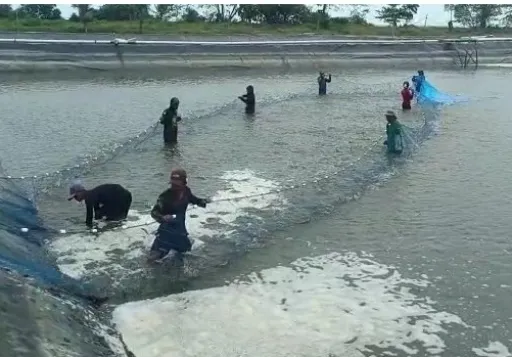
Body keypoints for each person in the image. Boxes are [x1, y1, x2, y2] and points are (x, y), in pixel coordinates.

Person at [149, 168, 209, 261]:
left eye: (177, 183)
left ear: (184, 182)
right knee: (153, 259)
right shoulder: (165, 196)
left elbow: (194, 200)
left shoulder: (186, 191)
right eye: (173, 183)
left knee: (187, 253)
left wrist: (203, 201)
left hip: (180, 232)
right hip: (166, 233)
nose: (175, 186)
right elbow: (154, 212)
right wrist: (162, 217)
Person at [68, 181, 132, 228]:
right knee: (120, 218)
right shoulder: (94, 193)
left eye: (75, 196)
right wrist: (97, 221)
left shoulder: (89, 198)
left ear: (81, 192)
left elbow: (89, 218)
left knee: (109, 217)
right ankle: (123, 226)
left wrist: (89, 230)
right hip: (127, 196)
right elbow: (96, 212)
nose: (76, 199)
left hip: (120, 197)